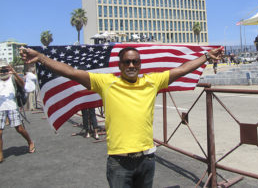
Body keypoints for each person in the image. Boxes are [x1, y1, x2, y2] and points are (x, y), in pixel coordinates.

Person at [20, 46, 224, 187]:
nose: (132, 65)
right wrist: (41, 58)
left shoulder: (152, 81)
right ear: (120, 66)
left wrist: (206, 56)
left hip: (147, 159)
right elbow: (72, 72)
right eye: (127, 62)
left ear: (140, 64)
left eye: (135, 62)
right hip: (119, 163)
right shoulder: (106, 82)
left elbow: (180, 70)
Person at [0, 62, 35, 163]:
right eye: (1, 70)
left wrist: (14, 72)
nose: (3, 72)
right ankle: (0, 154)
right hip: (0, 108)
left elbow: (24, 85)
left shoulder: (12, 78)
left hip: (12, 107)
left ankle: (30, 142)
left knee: (19, 128)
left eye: (5, 69)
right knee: (0, 132)